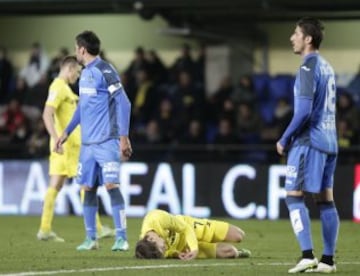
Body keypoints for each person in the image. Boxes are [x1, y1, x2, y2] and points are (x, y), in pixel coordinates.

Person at [55, 31, 132, 251]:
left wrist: (123, 137)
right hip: (87, 145)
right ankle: (91, 239)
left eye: (75, 47)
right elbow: (82, 107)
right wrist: (67, 131)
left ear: (82, 49)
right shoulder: (85, 74)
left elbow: (124, 103)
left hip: (107, 141)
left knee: (111, 185)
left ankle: (122, 237)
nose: (75, 51)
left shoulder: (104, 70)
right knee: (87, 188)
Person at [276, 17, 339, 273]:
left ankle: (306, 255)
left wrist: (284, 138)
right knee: (325, 200)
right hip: (330, 141)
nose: (292, 37)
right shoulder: (327, 67)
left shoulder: (307, 67)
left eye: (296, 33)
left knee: (293, 197)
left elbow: (302, 112)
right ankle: (327, 260)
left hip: (308, 141)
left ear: (307, 39)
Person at [37, 56, 114, 242]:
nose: (78, 76)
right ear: (70, 69)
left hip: (64, 146)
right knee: (86, 183)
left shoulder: (62, 88)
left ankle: (45, 229)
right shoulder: (58, 87)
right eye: (78, 73)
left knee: (56, 185)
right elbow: (47, 114)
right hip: (69, 146)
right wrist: (57, 139)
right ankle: (96, 228)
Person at [135, 209, 251, 260]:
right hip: (183, 248)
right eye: (163, 250)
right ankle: (239, 253)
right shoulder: (150, 251)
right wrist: (175, 253)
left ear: (151, 238)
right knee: (230, 253)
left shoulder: (156, 218)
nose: (164, 247)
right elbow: (166, 253)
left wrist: (194, 249)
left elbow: (186, 229)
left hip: (190, 227)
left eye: (162, 247)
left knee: (238, 235)